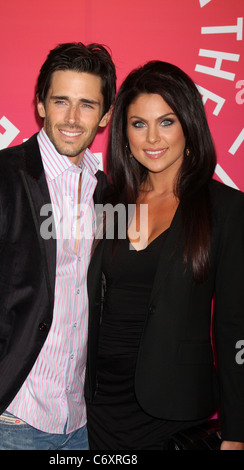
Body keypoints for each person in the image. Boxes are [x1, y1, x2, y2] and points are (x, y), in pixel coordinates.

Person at [0, 42, 116, 450]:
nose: (72, 118)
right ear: (41, 104)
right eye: (61, 101)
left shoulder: (106, 191)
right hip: (12, 416)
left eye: (88, 105)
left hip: (81, 419)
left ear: (106, 115)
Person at [85, 60, 244, 450]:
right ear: (123, 133)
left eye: (166, 122)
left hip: (173, 414)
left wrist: (237, 433)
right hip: (96, 408)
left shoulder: (225, 208)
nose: (152, 138)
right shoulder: (107, 201)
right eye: (139, 124)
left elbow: (234, 328)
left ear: (189, 126)